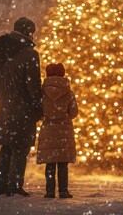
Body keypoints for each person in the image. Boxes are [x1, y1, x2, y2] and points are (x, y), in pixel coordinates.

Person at [0, 17, 43, 197]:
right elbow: (33, 85)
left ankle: (1, 186)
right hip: (24, 108)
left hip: (5, 107)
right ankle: (15, 186)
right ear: (29, 33)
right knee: (21, 147)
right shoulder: (29, 54)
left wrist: (2, 98)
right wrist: (38, 106)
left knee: (7, 146)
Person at [37, 63, 78, 198]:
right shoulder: (68, 92)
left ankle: (49, 191)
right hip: (64, 131)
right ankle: (63, 190)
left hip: (48, 130)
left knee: (50, 164)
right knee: (62, 164)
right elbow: (74, 112)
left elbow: (39, 111)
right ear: (62, 74)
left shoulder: (42, 93)